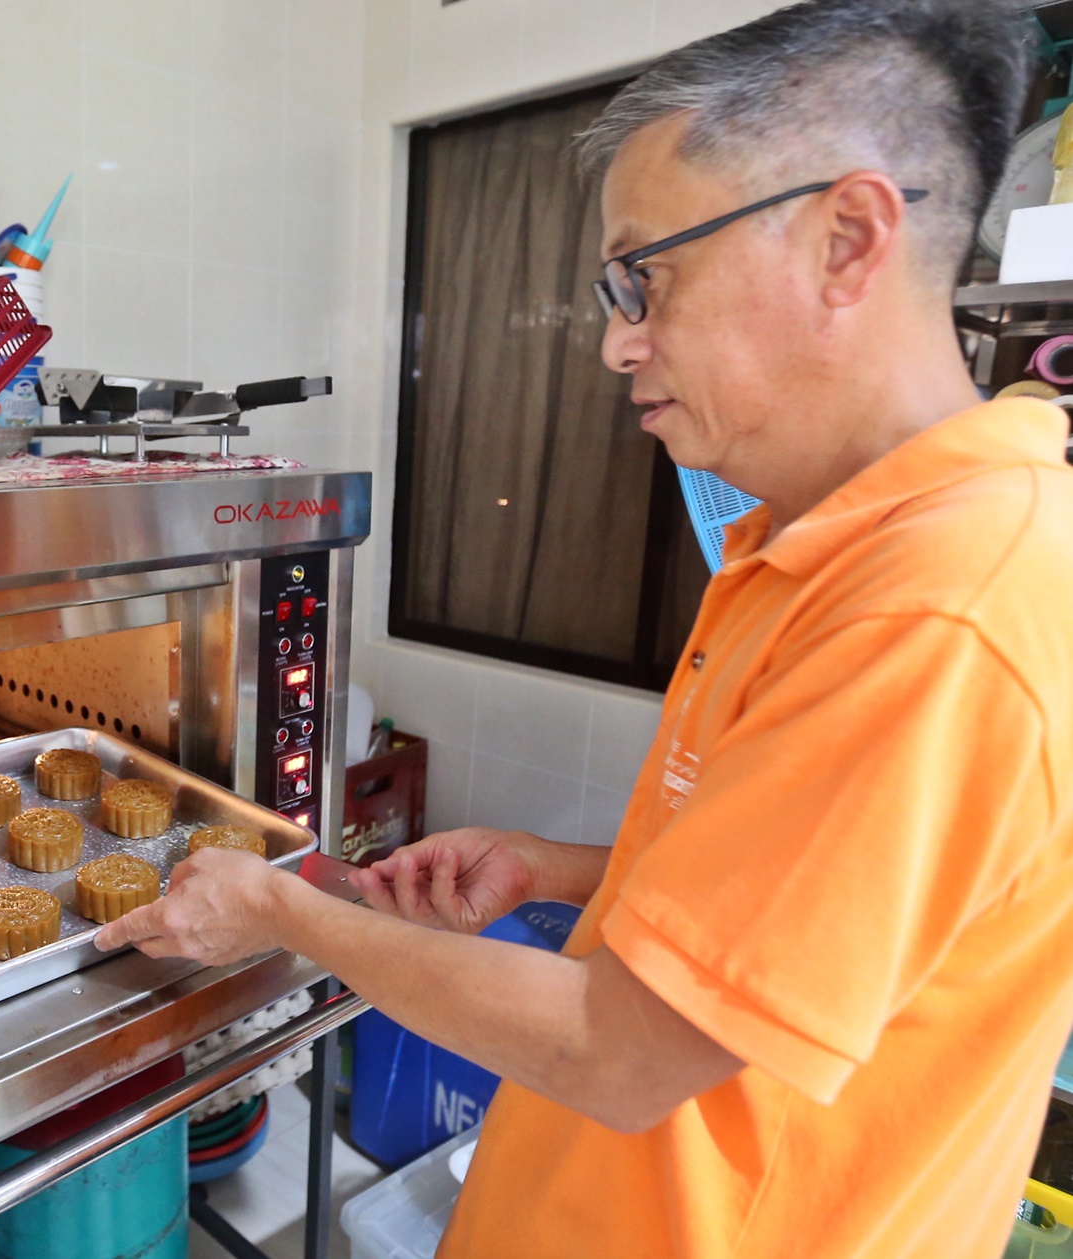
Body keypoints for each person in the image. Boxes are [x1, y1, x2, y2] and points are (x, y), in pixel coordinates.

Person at [95, 1, 1073, 1254]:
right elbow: (813, 910)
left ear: (846, 239)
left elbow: (621, 1050)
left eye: (644, 278)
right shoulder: (817, 545)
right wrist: (557, 869)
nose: (617, 344)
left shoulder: (941, 603)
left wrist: (281, 911)